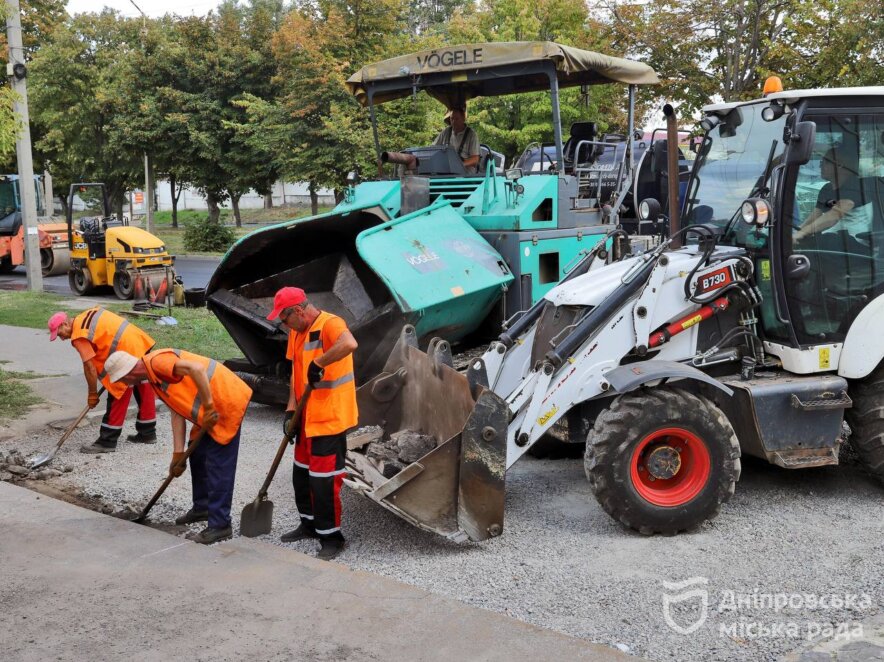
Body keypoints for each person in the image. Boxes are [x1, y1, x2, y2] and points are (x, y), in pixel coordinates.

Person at [103, 347, 253, 544]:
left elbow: (197, 369)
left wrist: (208, 406)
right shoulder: (154, 376)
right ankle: (203, 507)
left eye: (122, 380)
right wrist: (178, 455)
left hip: (225, 400)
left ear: (128, 373)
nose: (124, 384)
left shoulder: (157, 363)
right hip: (207, 411)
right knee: (197, 454)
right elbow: (177, 412)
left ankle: (220, 525)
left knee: (219, 464)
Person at [267, 286, 358, 561]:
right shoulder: (296, 330)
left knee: (324, 481)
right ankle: (309, 525)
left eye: (284, 319)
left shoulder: (330, 324)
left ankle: (331, 538)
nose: (284, 326)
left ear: (298, 311)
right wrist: (290, 411)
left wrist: (321, 360)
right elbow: (296, 372)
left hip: (330, 417)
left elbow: (349, 344)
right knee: (301, 475)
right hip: (306, 417)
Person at [48, 307, 157, 453]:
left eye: (60, 334)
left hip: (125, 350)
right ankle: (148, 433)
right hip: (137, 341)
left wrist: (92, 393)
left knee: (119, 389)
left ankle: (107, 441)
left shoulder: (79, 335)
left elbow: (89, 367)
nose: (62, 338)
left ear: (65, 325)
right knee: (143, 384)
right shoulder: (86, 314)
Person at [794, 148, 868, 243]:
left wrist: (803, 233)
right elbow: (815, 215)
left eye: (825, 162)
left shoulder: (856, 185)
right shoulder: (827, 188)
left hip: (858, 247)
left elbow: (834, 215)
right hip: (835, 243)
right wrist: (797, 231)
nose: (820, 166)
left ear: (839, 165)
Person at [434, 106, 480, 174]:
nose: (454, 121)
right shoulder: (445, 132)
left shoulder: (471, 135)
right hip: (446, 172)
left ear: (463, 118)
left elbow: (475, 159)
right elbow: (433, 149)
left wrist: (460, 165)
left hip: (465, 175)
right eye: (452, 118)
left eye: (457, 119)